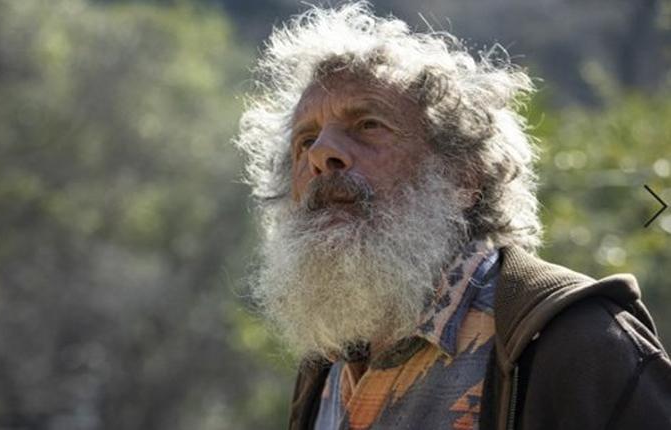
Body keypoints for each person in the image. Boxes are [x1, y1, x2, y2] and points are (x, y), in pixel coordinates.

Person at [234, 2, 671, 430]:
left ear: (464, 177)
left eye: (368, 125)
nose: (320, 154)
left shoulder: (574, 342)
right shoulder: (325, 365)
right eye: (304, 141)